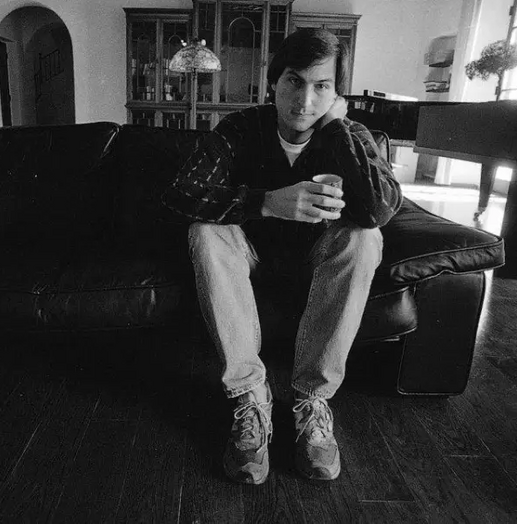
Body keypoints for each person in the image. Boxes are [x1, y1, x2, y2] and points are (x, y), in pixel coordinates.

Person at [162, 29, 402, 484]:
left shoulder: (350, 134)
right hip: (249, 253)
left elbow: (380, 210)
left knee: (365, 238)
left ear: (336, 94)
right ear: (274, 82)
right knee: (204, 232)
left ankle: (313, 400)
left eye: (321, 86)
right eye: (294, 81)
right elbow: (180, 194)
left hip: (318, 258)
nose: (304, 100)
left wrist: (336, 129)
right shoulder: (240, 129)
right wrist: (266, 202)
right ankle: (251, 396)